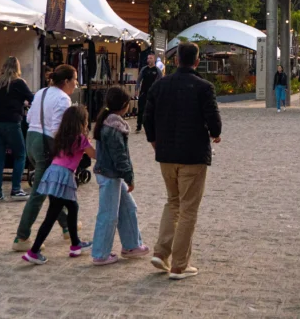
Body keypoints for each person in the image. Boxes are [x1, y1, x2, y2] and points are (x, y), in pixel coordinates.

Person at [144, 42, 222, 280]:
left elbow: (147, 117)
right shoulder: (204, 87)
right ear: (197, 61)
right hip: (193, 155)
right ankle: (179, 264)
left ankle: (161, 251)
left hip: (166, 155)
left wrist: (154, 141)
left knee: (173, 202)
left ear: (176, 60)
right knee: (188, 208)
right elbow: (214, 121)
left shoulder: (160, 85)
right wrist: (215, 133)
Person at [22, 106, 96, 263]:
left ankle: (75, 244)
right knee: (52, 214)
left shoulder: (61, 137)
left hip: (53, 173)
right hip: (64, 176)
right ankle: (34, 251)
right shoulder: (80, 139)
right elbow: (93, 154)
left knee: (72, 207)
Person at [13, 64, 75, 252]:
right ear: (66, 81)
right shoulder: (63, 98)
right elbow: (57, 128)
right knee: (39, 192)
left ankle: (67, 225)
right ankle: (22, 236)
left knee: (48, 185)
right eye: (75, 80)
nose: (76, 84)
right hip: (46, 144)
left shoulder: (41, 92)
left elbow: (29, 118)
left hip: (31, 139)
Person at [90, 86, 150, 265]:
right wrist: (129, 177)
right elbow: (120, 156)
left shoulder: (107, 122)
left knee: (128, 207)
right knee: (108, 215)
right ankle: (101, 254)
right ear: (124, 105)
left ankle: (132, 245)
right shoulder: (114, 127)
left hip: (111, 174)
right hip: (110, 174)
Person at [0, 56, 33, 202]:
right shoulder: (19, 82)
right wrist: (23, 103)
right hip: (11, 122)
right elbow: (32, 98)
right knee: (20, 154)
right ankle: (16, 189)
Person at [136, 54, 162, 132]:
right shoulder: (144, 69)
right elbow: (139, 80)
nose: (149, 59)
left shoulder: (157, 70)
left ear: (154, 59)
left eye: (151, 58)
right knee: (141, 109)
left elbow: (160, 82)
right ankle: (139, 125)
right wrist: (136, 89)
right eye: (148, 58)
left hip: (153, 93)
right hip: (143, 92)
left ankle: (152, 126)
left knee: (152, 110)